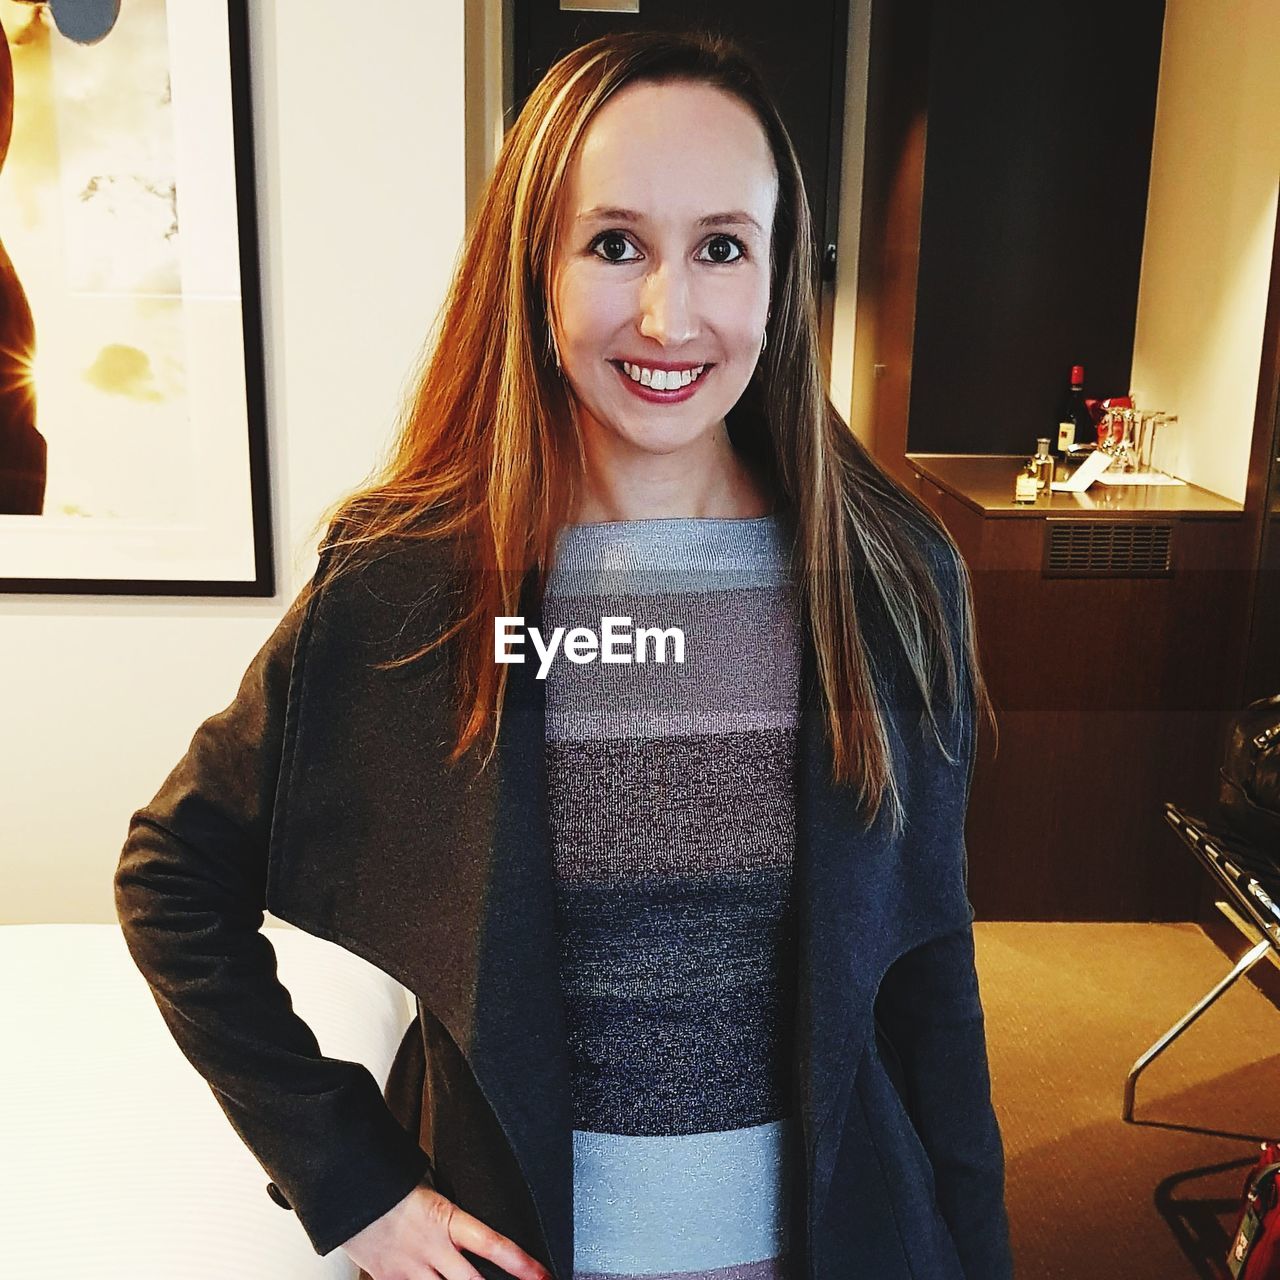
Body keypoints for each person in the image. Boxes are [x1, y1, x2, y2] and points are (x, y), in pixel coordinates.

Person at [115, 29, 1013, 1280]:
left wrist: (978, 1249)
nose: (670, 313)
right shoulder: (409, 582)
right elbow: (173, 875)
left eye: (719, 247)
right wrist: (349, 1181)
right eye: (613, 244)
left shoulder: (886, 577)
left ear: (778, 276)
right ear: (531, 268)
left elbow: (927, 971)